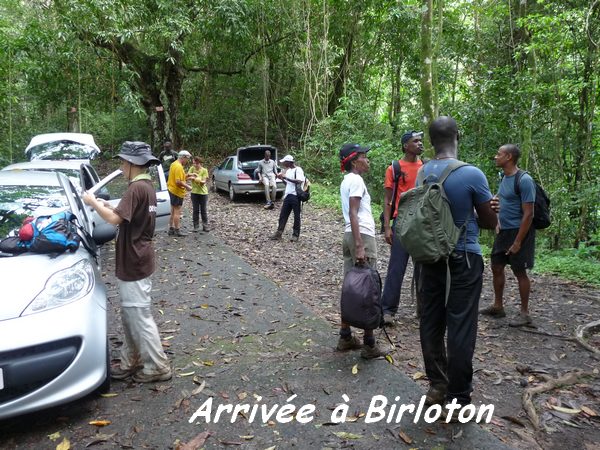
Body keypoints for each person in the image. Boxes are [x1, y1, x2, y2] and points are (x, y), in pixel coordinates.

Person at [417, 117, 497, 413]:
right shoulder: (472, 174)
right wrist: (491, 209)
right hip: (464, 257)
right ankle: (459, 398)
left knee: (431, 321)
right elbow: (490, 223)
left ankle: (437, 384)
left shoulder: (422, 172)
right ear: (457, 136)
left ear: (431, 141)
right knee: (461, 327)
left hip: (430, 258)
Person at [82, 141, 172, 383]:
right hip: (138, 257)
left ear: (133, 164)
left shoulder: (136, 189)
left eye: (123, 162)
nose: (121, 167)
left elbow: (113, 219)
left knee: (139, 315)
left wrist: (92, 203)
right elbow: (121, 214)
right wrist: (102, 204)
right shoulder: (146, 187)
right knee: (130, 314)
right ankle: (131, 360)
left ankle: (157, 366)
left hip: (134, 260)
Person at [337, 143, 384, 359]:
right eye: (364, 157)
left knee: (351, 287)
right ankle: (369, 344)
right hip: (361, 236)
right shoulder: (356, 180)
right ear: (355, 161)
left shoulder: (347, 180)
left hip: (350, 234)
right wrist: (359, 245)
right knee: (368, 288)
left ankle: (345, 336)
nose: (368, 160)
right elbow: (354, 213)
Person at [481, 144, 536, 327]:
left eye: (499, 154)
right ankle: (498, 306)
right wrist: (496, 219)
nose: (496, 157)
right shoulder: (504, 177)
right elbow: (504, 201)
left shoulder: (525, 180)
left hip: (519, 231)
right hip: (503, 231)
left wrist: (518, 241)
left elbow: (529, 214)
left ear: (509, 157)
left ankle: (525, 313)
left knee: (519, 271)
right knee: (496, 266)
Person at [381, 130, 424, 326]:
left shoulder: (427, 167)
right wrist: (387, 226)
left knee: (423, 267)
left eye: (420, 141)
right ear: (405, 145)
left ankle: (424, 309)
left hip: (423, 223)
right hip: (402, 222)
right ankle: (388, 310)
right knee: (396, 267)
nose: (420, 144)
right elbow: (388, 200)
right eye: (415, 141)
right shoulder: (395, 168)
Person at [270, 155, 305, 242]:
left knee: (297, 216)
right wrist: (282, 179)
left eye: (285, 162)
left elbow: (299, 181)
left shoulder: (298, 170)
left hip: (296, 196)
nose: (283, 163)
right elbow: (288, 184)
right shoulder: (288, 171)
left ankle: (295, 235)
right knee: (283, 215)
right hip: (288, 195)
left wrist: (285, 177)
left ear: (289, 162)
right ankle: (279, 233)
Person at [167, 150, 193, 237]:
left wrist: (188, 175)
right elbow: (178, 182)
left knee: (173, 210)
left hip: (171, 190)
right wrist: (187, 187)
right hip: (176, 192)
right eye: (187, 159)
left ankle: (171, 229)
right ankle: (177, 230)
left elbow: (179, 177)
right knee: (177, 211)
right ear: (183, 157)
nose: (187, 161)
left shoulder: (174, 164)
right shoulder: (178, 167)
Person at [188, 156, 210, 232]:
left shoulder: (204, 170)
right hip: (194, 192)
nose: (194, 165)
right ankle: (196, 226)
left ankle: (205, 225)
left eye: (196, 163)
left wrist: (196, 178)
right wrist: (191, 176)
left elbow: (203, 182)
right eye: (193, 163)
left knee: (203, 210)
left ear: (199, 163)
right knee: (195, 210)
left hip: (203, 193)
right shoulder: (192, 168)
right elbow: (187, 176)